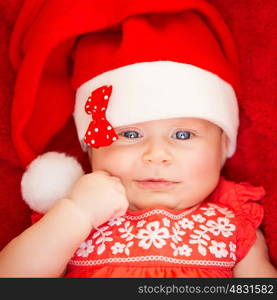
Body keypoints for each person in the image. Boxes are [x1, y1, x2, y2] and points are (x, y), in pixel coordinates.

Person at [0, 0, 276, 278]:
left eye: (182, 135)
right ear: (91, 150)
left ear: (222, 149)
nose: (156, 154)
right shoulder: (73, 221)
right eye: (130, 134)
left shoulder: (233, 224)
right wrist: (77, 213)